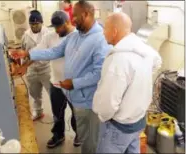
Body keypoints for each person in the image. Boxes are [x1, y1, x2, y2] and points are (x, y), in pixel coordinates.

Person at [10, 1, 111, 153]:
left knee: (90, 142)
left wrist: (75, 83)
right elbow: (54, 52)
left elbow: (99, 73)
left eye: (75, 16)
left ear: (86, 14)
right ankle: (62, 135)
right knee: (84, 137)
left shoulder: (100, 39)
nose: (73, 19)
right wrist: (28, 53)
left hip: (87, 102)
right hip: (73, 95)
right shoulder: (75, 36)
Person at [93, 12, 162, 153]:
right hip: (138, 121)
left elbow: (108, 103)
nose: (103, 33)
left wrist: (102, 116)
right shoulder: (144, 50)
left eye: (105, 28)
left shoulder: (118, 60)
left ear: (114, 31)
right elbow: (158, 63)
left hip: (118, 127)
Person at [18, 10, 81, 148]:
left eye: (59, 27)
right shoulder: (50, 37)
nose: (57, 30)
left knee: (77, 112)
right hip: (56, 83)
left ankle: (79, 134)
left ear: (68, 22)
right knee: (57, 113)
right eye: (55, 27)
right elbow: (38, 52)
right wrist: (25, 66)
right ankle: (58, 135)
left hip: (73, 84)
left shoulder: (78, 36)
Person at [21, 10, 50, 120]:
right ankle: (38, 112)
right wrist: (22, 65)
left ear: (42, 23)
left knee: (53, 94)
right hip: (32, 69)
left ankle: (57, 116)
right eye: (32, 24)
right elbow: (23, 50)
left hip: (46, 68)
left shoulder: (48, 33)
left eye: (37, 24)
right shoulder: (26, 35)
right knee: (35, 93)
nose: (34, 26)